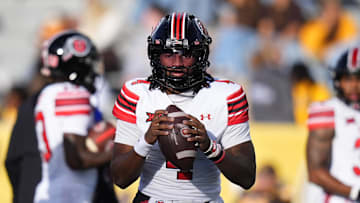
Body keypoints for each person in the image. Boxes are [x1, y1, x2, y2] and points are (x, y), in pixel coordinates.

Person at [110, 12, 256, 202]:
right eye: (168, 54)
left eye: (186, 54)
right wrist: (146, 140)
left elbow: (247, 177)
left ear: (201, 56)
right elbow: (120, 178)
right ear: (156, 56)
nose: (177, 63)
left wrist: (210, 147)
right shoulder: (137, 93)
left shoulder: (226, 95)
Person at [31, 30, 115, 203]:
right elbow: (77, 159)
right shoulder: (74, 94)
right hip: (71, 196)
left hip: (51, 191)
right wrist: (122, 151)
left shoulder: (47, 94)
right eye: (89, 62)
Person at [305, 46, 360, 202]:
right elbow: (315, 172)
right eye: (348, 79)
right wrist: (355, 192)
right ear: (338, 80)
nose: (354, 85)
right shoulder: (327, 111)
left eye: (359, 78)